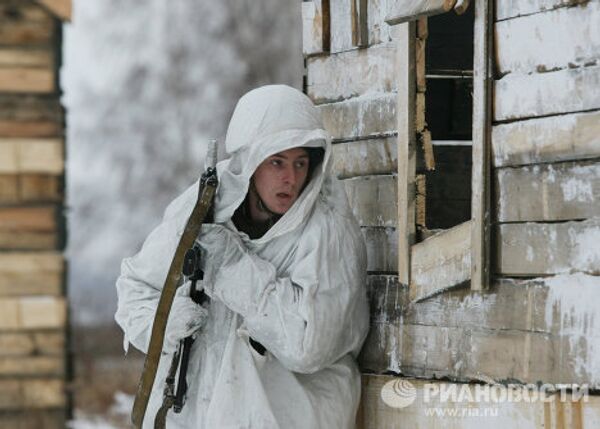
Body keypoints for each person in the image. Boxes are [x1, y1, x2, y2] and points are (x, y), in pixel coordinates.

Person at [115, 84, 370, 428]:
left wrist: (232, 267)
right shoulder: (205, 207)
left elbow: (308, 345)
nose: (290, 178)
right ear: (250, 162)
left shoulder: (327, 230)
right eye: (276, 162)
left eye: (300, 163)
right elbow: (136, 287)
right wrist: (164, 324)